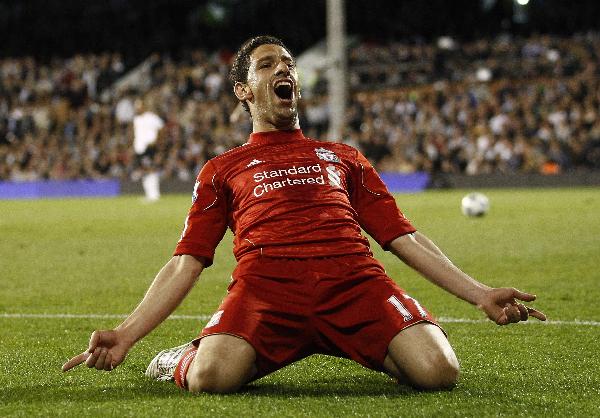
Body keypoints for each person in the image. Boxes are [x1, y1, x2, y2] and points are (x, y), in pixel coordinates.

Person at [63, 36, 546, 393]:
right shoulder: (222, 168)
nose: (282, 68)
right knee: (211, 376)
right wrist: (127, 333)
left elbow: (402, 236)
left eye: (288, 62)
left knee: (439, 371)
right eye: (267, 63)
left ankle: (374, 342)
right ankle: (180, 357)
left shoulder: (343, 157)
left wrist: (479, 293)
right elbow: (186, 260)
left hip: (355, 284)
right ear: (244, 90)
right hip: (266, 290)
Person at [132, 99, 164, 202]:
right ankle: (149, 194)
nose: (137, 108)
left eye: (139, 106)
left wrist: (157, 142)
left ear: (143, 107)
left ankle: (154, 194)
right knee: (144, 170)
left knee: (150, 168)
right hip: (139, 148)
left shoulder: (151, 117)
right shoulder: (136, 119)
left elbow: (161, 128)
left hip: (149, 147)